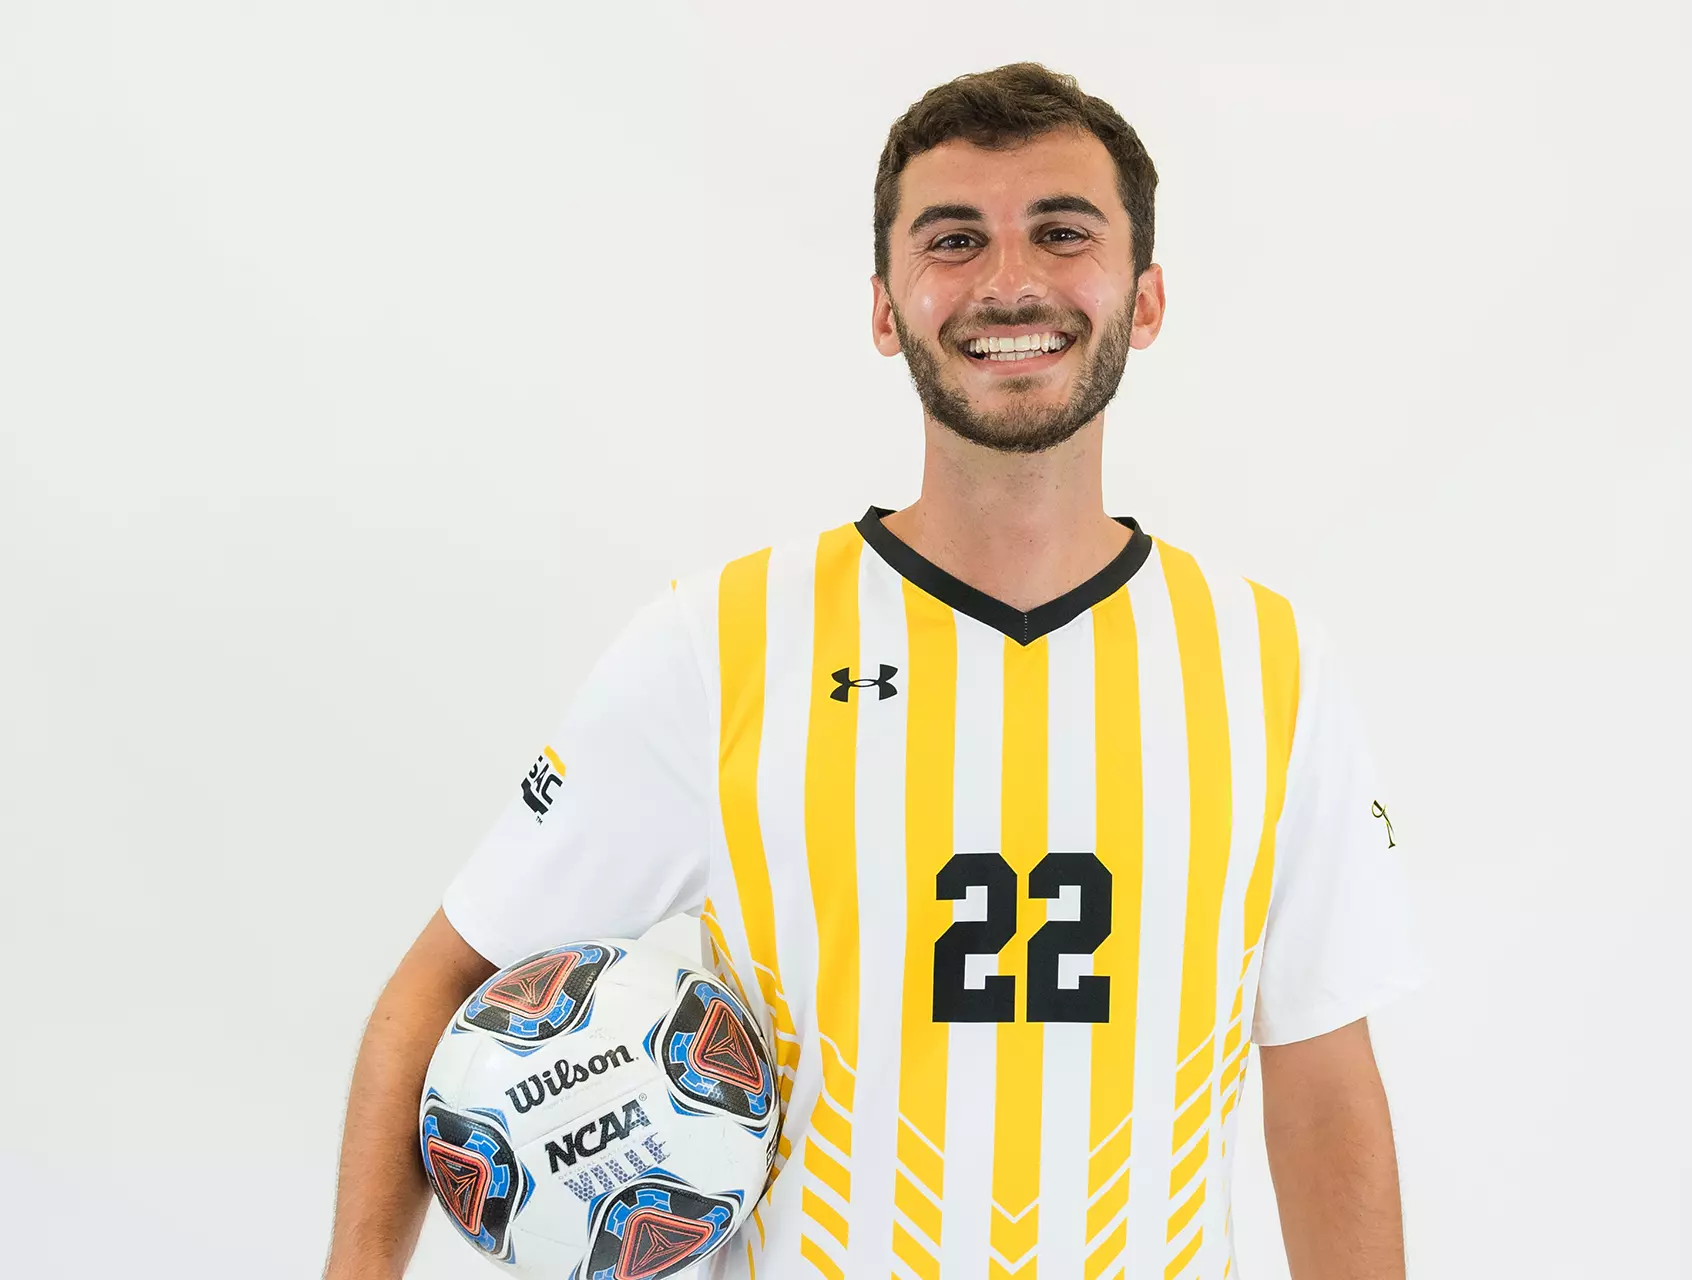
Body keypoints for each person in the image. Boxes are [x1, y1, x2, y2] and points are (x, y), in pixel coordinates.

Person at [325, 61, 1424, 1280]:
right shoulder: (720, 645)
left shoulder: (1268, 667)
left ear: (1146, 297)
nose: (1010, 279)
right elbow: (437, 988)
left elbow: (1322, 1086)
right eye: (954, 239)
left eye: (1062, 231)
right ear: (885, 307)